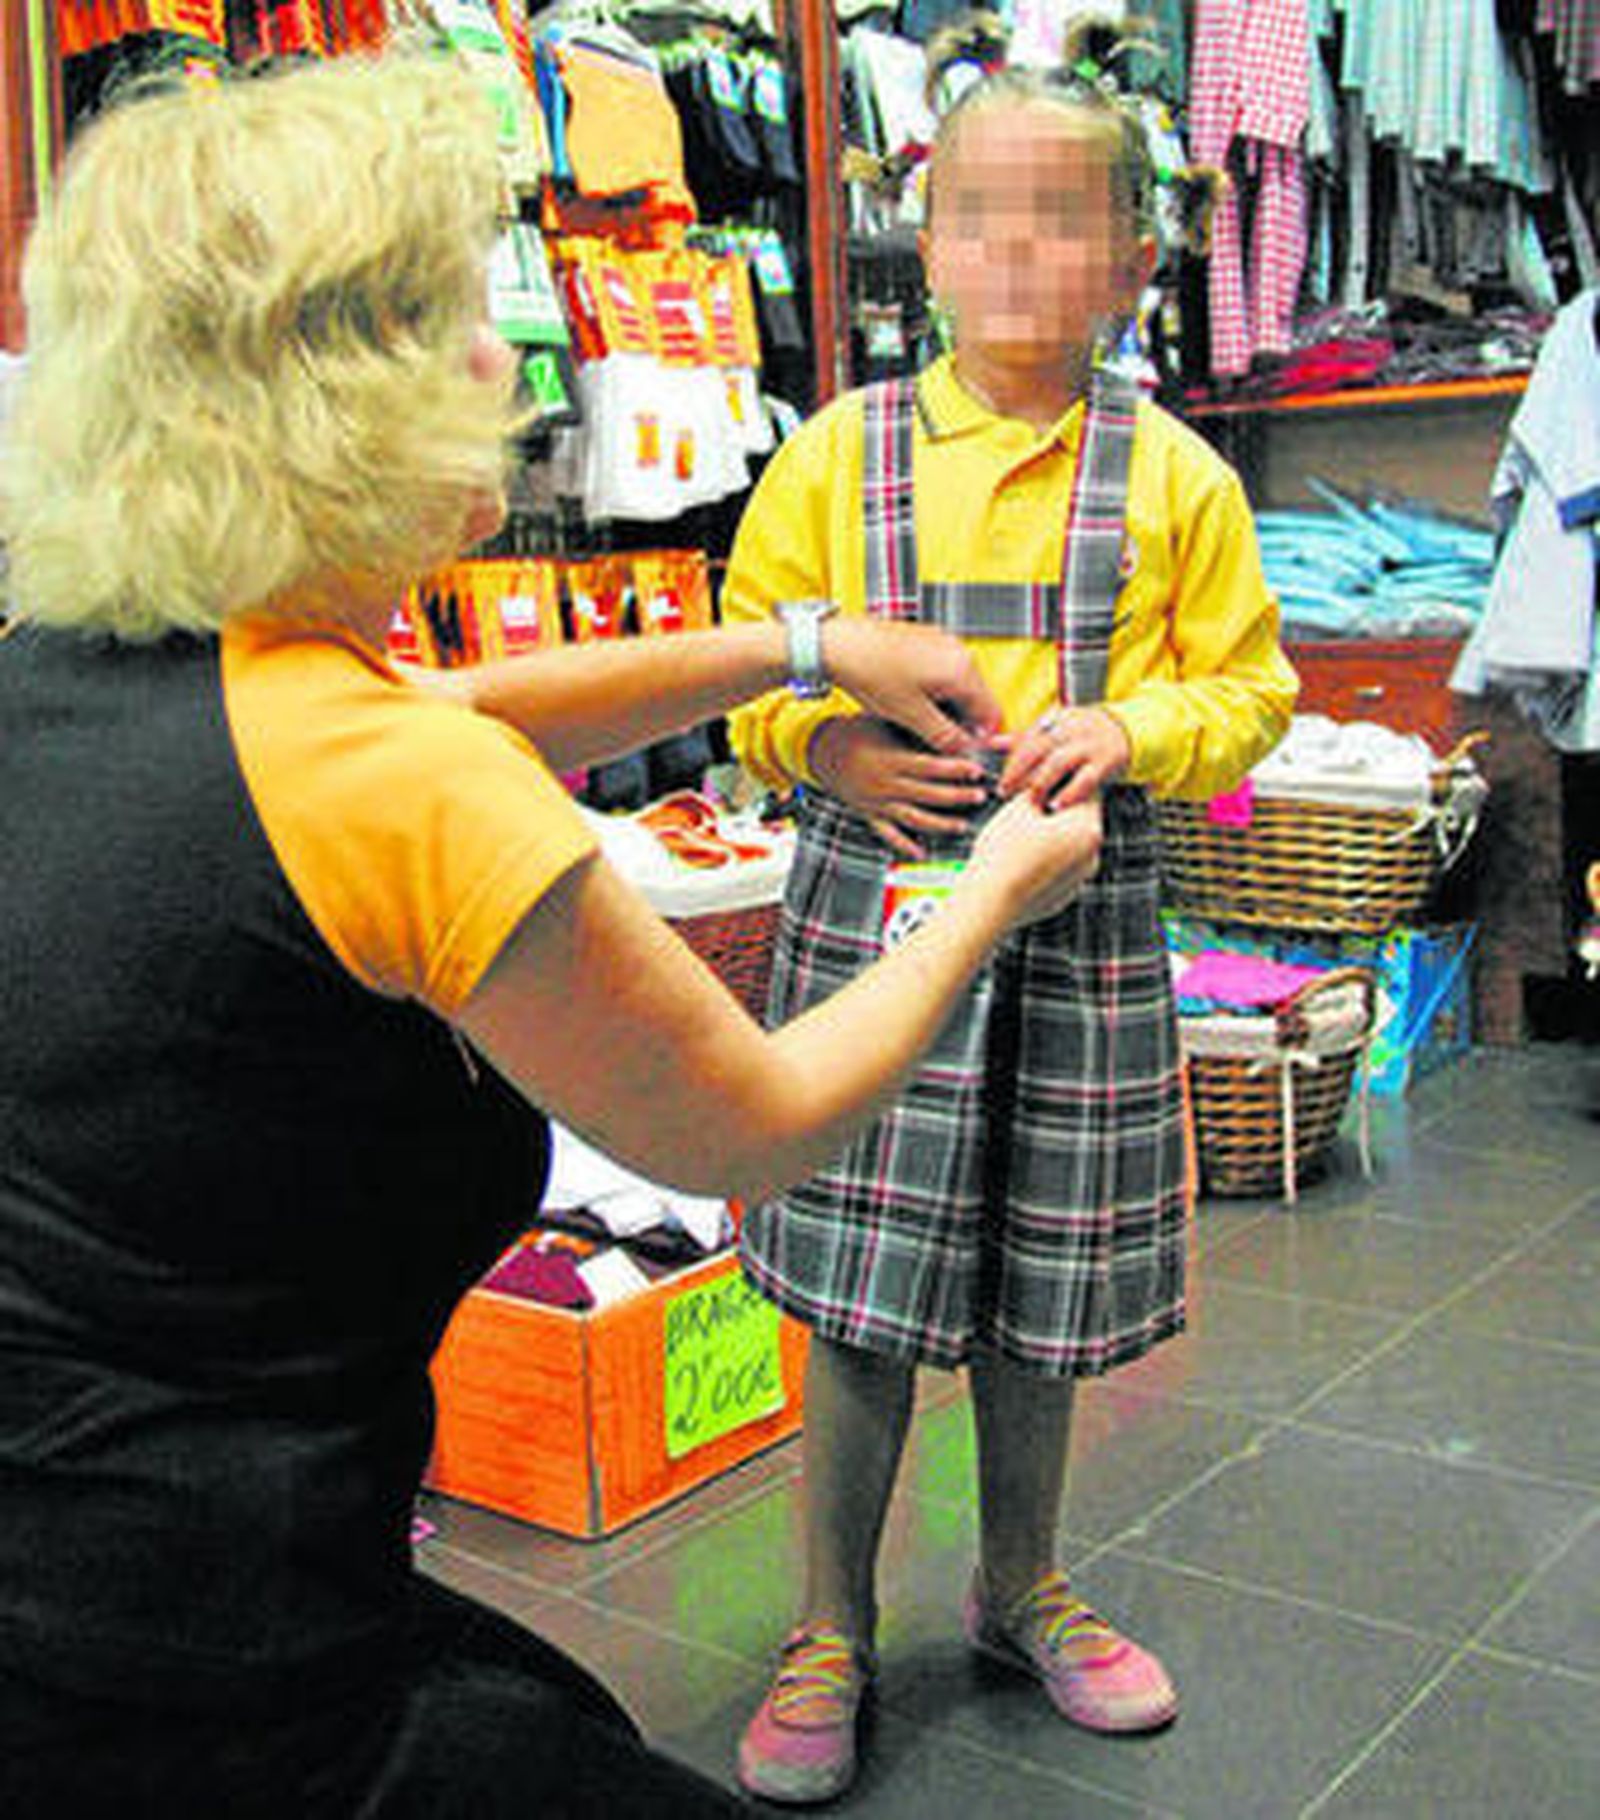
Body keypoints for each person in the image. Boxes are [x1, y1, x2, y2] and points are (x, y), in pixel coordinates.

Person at [0, 47, 1106, 1820]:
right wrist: (990, 894)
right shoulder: (393, 781)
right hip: (218, 1682)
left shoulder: (86, 679)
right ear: (346, 387)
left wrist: (794, 647)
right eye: (461, 317)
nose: (508, 364)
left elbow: (457, 719)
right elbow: (746, 1118)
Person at [723, 19, 1299, 1806]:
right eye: (981, 217)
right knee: (862, 1294)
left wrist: (1134, 729)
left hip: (1083, 926)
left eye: (1065, 223)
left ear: (1141, 258)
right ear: (926, 234)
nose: (1019, 255)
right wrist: (830, 755)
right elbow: (758, 670)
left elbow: (1255, 693)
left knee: (1040, 1288)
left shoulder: (1181, 477)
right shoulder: (839, 452)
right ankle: (825, 1620)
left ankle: (1019, 1583)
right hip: (876, 927)